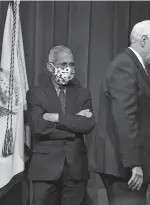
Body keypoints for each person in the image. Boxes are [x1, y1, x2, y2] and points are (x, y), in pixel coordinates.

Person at [92, 20, 150, 205]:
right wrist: (134, 163)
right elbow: (125, 118)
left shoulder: (132, 65)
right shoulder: (125, 66)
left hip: (125, 164)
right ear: (143, 40)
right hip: (124, 167)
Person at [26, 45, 95, 205]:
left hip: (76, 168)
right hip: (45, 168)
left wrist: (56, 117)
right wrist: (73, 122)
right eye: (64, 64)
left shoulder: (83, 94)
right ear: (51, 67)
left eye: (72, 65)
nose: (69, 69)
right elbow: (39, 127)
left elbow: (87, 125)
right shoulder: (35, 93)